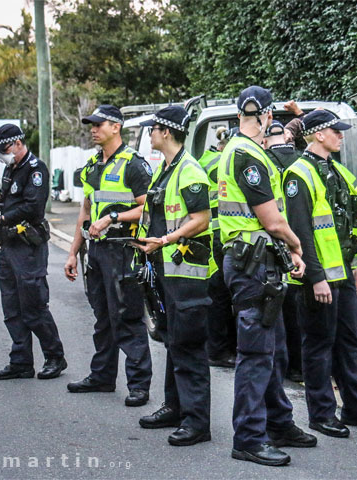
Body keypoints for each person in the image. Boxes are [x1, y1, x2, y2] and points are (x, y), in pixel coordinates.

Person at [218, 86, 316, 467]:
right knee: (257, 354)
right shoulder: (248, 156)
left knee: (272, 350)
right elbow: (272, 220)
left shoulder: (241, 149)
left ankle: (278, 422)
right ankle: (248, 437)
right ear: (267, 116)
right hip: (252, 264)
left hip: (256, 263)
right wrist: (297, 247)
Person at [284, 110, 357, 437]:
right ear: (318, 134)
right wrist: (316, 276)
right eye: (335, 131)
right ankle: (320, 413)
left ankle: (356, 409)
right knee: (318, 344)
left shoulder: (340, 172)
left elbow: (351, 225)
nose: (341, 136)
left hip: (344, 273)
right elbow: (300, 233)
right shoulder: (298, 174)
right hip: (318, 277)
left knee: (347, 342)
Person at [131, 106, 215, 446]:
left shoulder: (190, 171)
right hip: (167, 269)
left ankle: (197, 423)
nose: (150, 134)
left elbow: (201, 218)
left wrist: (165, 239)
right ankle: (174, 406)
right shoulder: (165, 170)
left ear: (166, 132)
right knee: (173, 340)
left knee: (190, 345)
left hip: (188, 273)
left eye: (152, 129)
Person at [63, 105, 153, 407]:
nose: (93, 129)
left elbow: (148, 207)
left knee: (127, 317)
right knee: (102, 317)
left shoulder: (134, 165)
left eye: (98, 124)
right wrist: (73, 253)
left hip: (123, 250)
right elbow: (85, 212)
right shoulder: (92, 165)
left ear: (116, 127)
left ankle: (139, 385)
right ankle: (102, 376)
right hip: (97, 252)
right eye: (91, 124)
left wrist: (114, 216)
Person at [0, 124, 66, 381]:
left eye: (5, 149)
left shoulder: (35, 169)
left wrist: (4, 217)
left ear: (18, 143)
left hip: (28, 246)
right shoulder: (12, 169)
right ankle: (21, 361)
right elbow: (12, 197)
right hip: (8, 245)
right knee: (11, 306)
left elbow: (33, 207)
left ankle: (55, 357)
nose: (2, 155)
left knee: (34, 306)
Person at [263, 119, 304, 383]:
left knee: (278, 312)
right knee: (301, 311)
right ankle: (299, 367)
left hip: (276, 241)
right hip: (303, 239)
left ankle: (283, 368)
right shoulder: (302, 160)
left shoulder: (262, 162)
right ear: (287, 138)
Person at [198, 127, 236, 369]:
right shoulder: (217, 162)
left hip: (215, 235)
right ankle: (218, 351)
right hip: (217, 236)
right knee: (219, 295)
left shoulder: (207, 159)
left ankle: (223, 347)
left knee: (219, 294)